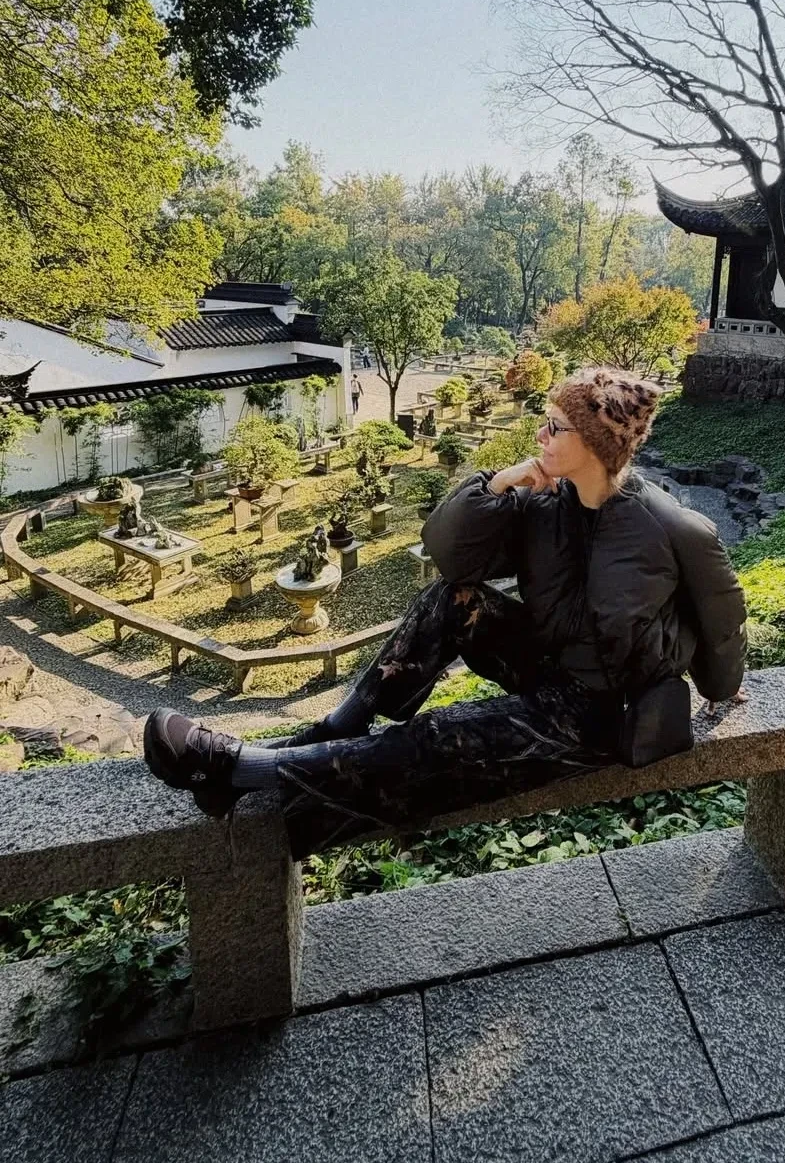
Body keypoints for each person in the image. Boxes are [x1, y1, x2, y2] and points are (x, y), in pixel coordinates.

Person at [143, 367, 748, 861]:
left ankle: (237, 770)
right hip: (549, 663)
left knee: (441, 738)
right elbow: (452, 556)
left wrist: (721, 691)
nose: (540, 435)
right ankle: (337, 728)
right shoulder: (545, 503)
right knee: (450, 599)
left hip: (603, 715)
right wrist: (495, 486)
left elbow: (723, 620)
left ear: (595, 442)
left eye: (554, 426)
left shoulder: (674, 529)